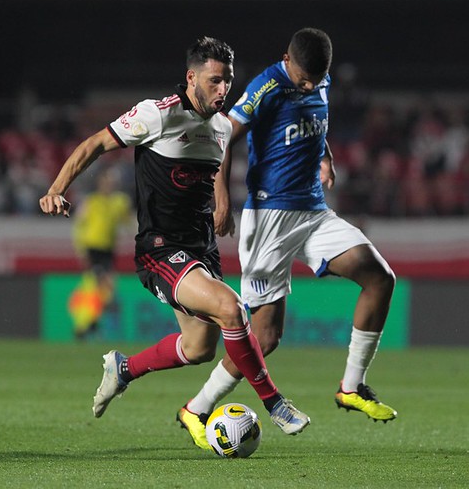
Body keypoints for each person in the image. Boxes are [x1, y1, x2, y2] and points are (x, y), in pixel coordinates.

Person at [39, 36, 310, 435]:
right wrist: (57, 188)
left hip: (203, 248)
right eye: (215, 81)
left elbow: (218, 157)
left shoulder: (219, 126)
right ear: (191, 78)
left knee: (200, 348)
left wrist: (222, 202)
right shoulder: (158, 114)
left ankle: (124, 368)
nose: (223, 90)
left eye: (228, 81)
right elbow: (96, 143)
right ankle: (274, 402)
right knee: (233, 309)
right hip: (160, 250)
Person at [176, 28, 397, 451]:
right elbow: (222, 138)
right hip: (270, 220)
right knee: (266, 336)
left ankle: (352, 386)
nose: (310, 85)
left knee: (380, 277)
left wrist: (325, 157)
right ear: (286, 60)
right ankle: (197, 408)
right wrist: (221, 197)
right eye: (304, 79)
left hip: (313, 213)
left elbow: (316, 121)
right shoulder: (268, 86)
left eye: (318, 79)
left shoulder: (318, 79)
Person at [69, 166, 132, 339]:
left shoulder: (119, 201)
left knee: (108, 287)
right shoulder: (91, 201)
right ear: (100, 182)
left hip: (108, 249)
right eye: (106, 180)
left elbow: (128, 224)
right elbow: (79, 226)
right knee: (95, 285)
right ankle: (83, 324)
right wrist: (81, 250)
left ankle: (90, 321)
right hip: (92, 247)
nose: (109, 183)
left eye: (112, 181)